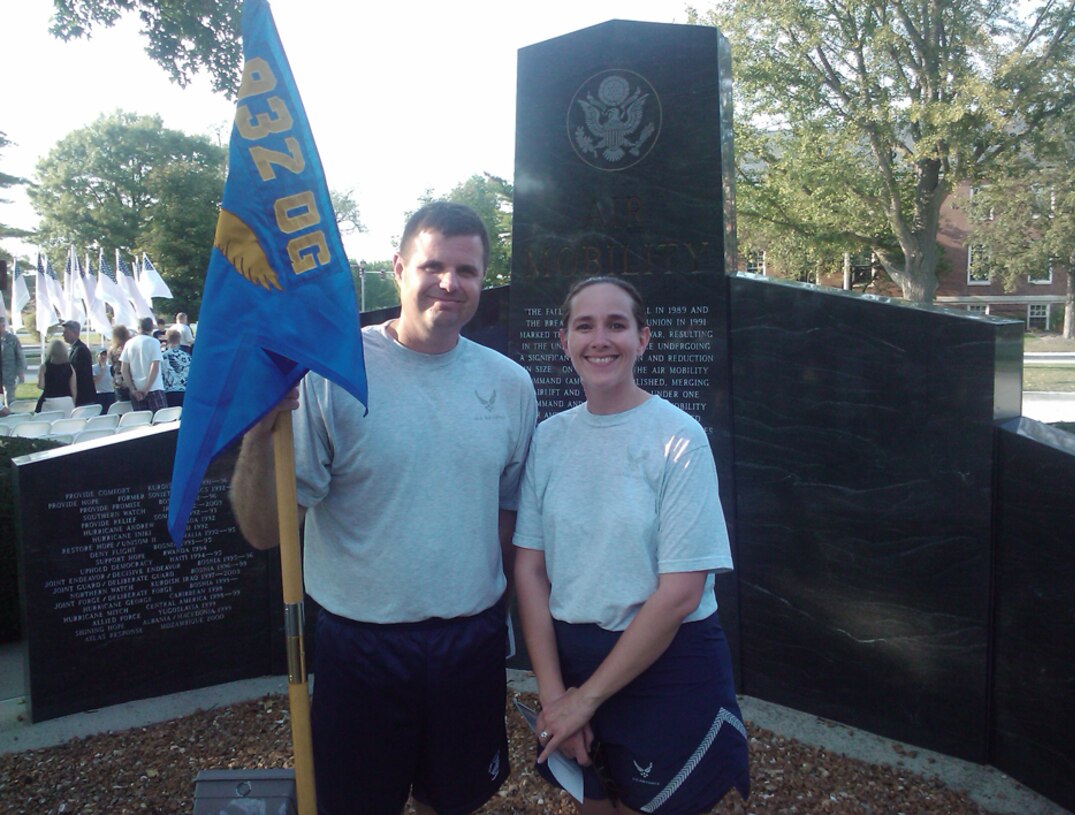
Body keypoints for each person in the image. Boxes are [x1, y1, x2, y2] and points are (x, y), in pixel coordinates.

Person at [229, 202, 538, 815]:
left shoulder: (510, 385)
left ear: (483, 279)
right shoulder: (331, 374)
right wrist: (257, 434)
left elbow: (508, 511)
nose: (449, 283)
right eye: (433, 265)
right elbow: (265, 532)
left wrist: (489, 602)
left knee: (455, 800)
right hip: (361, 648)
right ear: (399, 268)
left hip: (468, 641)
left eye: (467, 270)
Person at [514, 276, 750, 815]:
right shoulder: (549, 440)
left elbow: (680, 594)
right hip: (571, 663)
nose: (601, 339)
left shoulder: (678, 437)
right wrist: (556, 699)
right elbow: (530, 570)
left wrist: (585, 702)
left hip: (665, 665)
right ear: (564, 340)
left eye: (616, 325)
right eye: (585, 325)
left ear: (643, 339)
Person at [121, 316, 166, 413]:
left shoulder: (129, 343)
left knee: (142, 424)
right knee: (161, 423)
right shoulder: (154, 342)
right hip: (154, 387)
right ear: (151, 328)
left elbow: (124, 369)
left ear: (138, 328)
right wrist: (146, 388)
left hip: (136, 389)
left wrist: (132, 389)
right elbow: (155, 367)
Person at [35, 338, 76, 415]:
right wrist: (73, 401)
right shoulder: (70, 367)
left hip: (49, 400)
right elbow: (73, 387)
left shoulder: (44, 367)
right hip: (67, 400)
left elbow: (41, 386)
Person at [61, 320, 96, 407]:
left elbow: (79, 374)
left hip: (83, 396)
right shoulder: (75, 348)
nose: (63, 335)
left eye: (66, 332)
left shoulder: (80, 350)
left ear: (75, 333)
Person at [0, 314, 27, 408]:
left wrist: (21, 372)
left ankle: (11, 416)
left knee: (10, 398)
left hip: (9, 373)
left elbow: (20, 356)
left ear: (3, 326)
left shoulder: (11, 339)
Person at [161, 328, 189, 408]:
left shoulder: (162, 356)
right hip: (184, 391)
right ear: (179, 339)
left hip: (169, 391)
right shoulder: (186, 356)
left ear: (167, 339)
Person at [108, 325, 132, 402]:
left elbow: (111, 365)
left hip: (118, 382)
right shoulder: (130, 347)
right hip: (131, 380)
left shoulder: (112, 350)